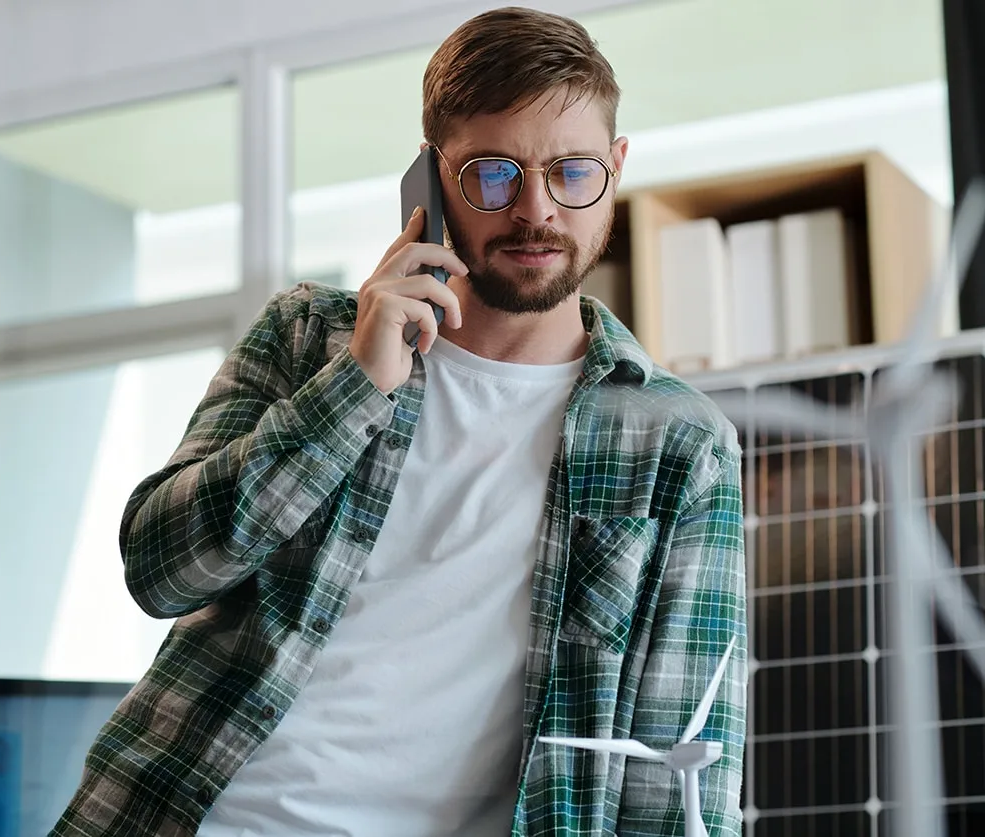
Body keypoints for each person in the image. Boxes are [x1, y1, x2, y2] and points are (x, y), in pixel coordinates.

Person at [50, 6, 747, 836]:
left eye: (572, 171)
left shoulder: (677, 442)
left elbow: (683, 767)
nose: (537, 210)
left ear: (616, 168)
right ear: (430, 179)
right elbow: (160, 568)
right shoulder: (308, 336)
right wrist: (353, 387)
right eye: (493, 174)